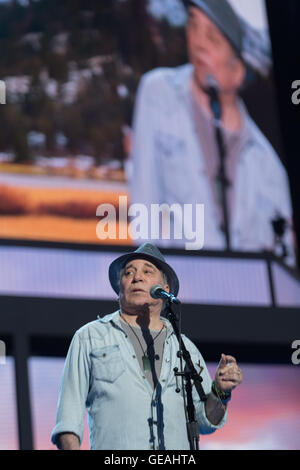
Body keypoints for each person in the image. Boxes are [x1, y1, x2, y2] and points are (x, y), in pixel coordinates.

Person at [129, 0, 295, 264]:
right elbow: (144, 208)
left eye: (213, 38)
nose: (198, 42)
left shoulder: (269, 170)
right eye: (193, 24)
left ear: (239, 71)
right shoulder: (158, 93)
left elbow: (282, 264)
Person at [51, 243, 243, 450]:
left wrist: (221, 392)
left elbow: (206, 421)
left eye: (147, 271)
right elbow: (68, 420)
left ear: (165, 289)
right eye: (128, 273)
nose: (137, 277)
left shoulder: (185, 349)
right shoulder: (89, 337)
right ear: (119, 289)